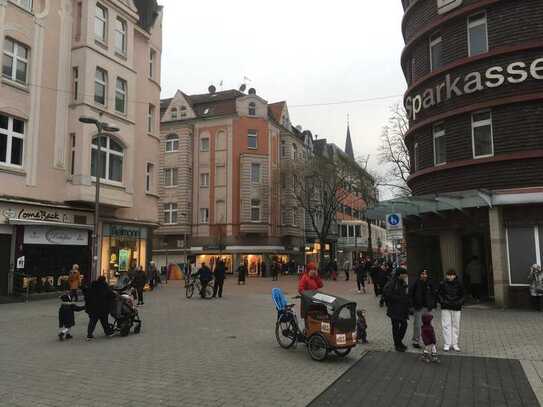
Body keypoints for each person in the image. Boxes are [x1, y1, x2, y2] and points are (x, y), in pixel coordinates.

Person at [383, 268, 410, 352]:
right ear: (400, 274)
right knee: (395, 327)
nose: (406, 275)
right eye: (404, 274)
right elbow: (387, 294)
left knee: (404, 325)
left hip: (402, 309)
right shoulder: (392, 282)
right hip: (394, 309)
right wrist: (399, 298)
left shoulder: (402, 282)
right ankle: (397, 344)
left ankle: (399, 342)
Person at [410, 269, 437, 349]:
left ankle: (428, 340)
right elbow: (410, 294)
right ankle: (416, 341)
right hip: (418, 307)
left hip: (427, 307)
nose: (424, 275)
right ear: (419, 275)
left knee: (428, 325)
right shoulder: (415, 282)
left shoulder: (430, 283)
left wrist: (433, 304)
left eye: (425, 274)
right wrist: (412, 306)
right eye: (422, 274)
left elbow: (434, 294)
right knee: (417, 325)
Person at [438, 269, 464, 352]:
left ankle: (455, 343)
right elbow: (439, 294)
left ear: (455, 275)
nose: (450, 276)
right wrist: (442, 302)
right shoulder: (442, 283)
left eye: (452, 275)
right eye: (448, 275)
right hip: (446, 307)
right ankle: (447, 344)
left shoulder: (460, 283)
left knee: (456, 325)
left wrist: (459, 302)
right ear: (446, 275)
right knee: (446, 325)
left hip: (456, 307)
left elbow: (463, 295)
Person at [84, 276, 115, 340]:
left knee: (92, 321)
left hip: (93, 307)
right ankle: (108, 333)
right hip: (102, 307)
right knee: (104, 321)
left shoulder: (92, 285)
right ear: (104, 280)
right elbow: (110, 294)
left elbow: (86, 295)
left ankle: (89, 335)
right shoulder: (104, 286)